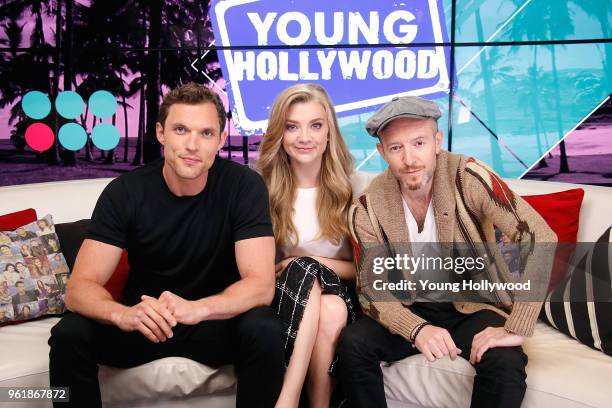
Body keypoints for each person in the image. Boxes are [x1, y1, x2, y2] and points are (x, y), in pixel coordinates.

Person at [48, 82, 284, 408]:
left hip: (212, 323)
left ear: (220, 139)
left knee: (264, 328)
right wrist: (124, 316)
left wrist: (197, 309)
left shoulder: (244, 186)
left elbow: (260, 286)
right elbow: (79, 289)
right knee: (69, 334)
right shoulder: (125, 192)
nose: (192, 145)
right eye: (180, 130)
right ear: (161, 133)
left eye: (205, 133)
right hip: (144, 323)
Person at [337, 96, 557, 408]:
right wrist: (416, 330)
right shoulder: (367, 207)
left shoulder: (468, 176)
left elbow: (538, 236)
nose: (410, 158)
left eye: (419, 143)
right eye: (396, 147)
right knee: (353, 344)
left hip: (473, 305)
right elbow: (372, 291)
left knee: (504, 364)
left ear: (437, 142)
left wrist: (517, 328)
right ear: (382, 152)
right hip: (410, 306)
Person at [258, 84, 357, 407]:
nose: (305, 137)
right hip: (282, 298)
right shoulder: (260, 188)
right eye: (292, 126)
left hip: (343, 295)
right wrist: (296, 270)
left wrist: (311, 261)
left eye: (315, 125)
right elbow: (259, 267)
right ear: (280, 134)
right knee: (327, 308)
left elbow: (364, 269)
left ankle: (287, 398)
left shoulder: (354, 189)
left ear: (329, 133)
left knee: (328, 298)